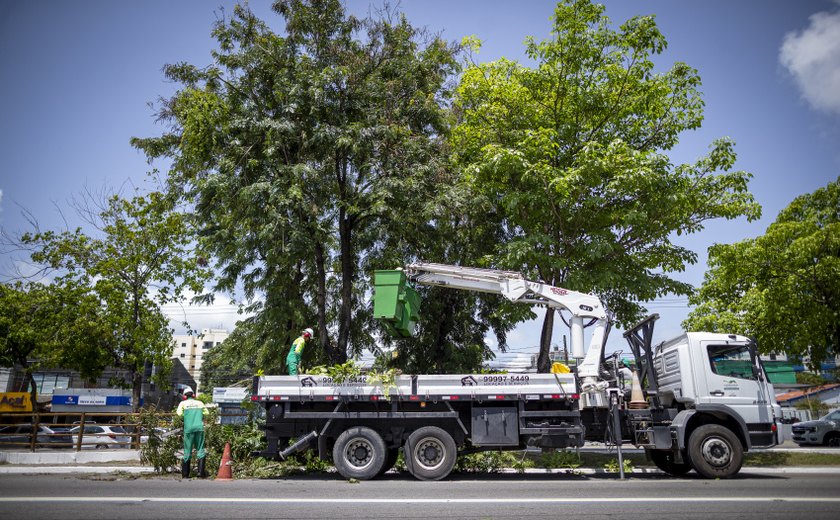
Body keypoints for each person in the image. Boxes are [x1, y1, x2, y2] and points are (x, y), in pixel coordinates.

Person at [176, 388, 208, 478]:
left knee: (187, 451)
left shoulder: (183, 403)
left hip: (188, 429)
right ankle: (200, 473)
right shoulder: (200, 403)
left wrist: (187, 416)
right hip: (199, 428)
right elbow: (206, 413)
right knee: (200, 449)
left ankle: (185, 474)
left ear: (185, 396)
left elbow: (179, 414)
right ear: (193, 395)